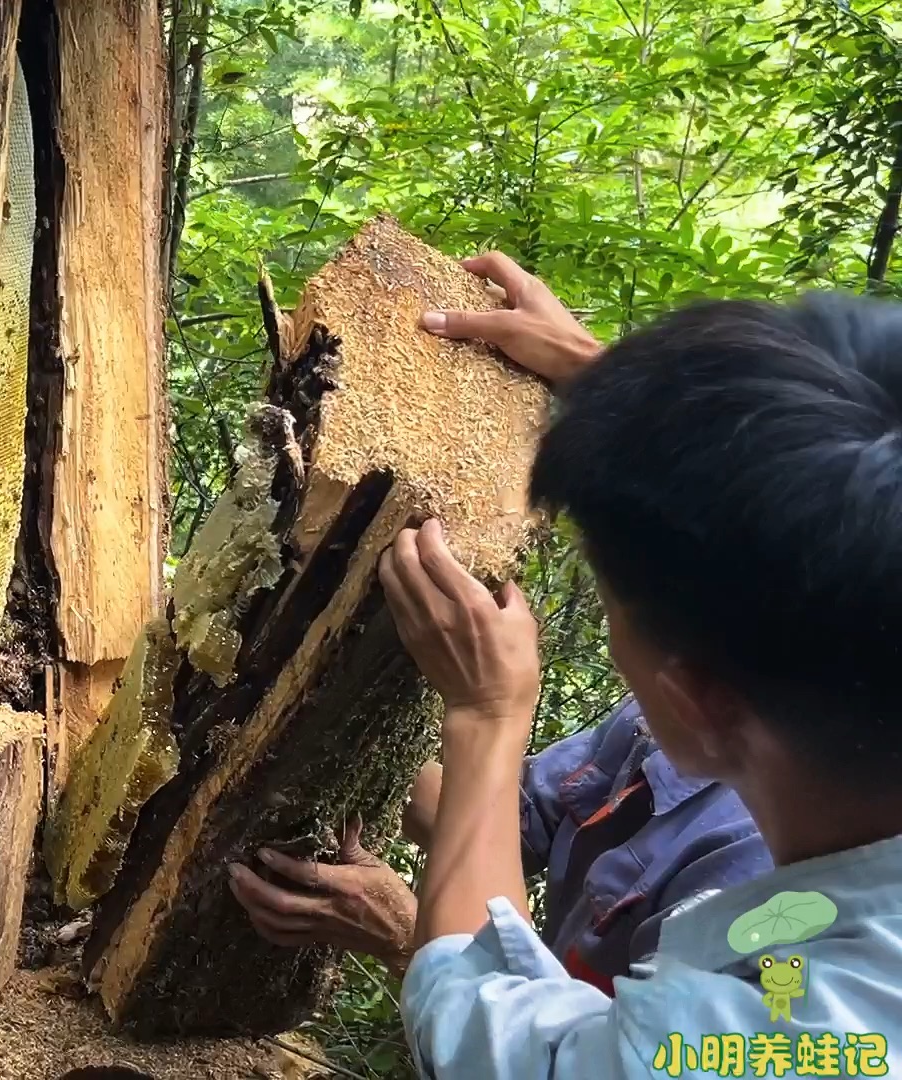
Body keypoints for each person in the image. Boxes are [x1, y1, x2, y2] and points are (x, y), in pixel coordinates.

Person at [252, 254, 902, 1077]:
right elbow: (518, 817)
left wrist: (487, 716)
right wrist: (636, 404)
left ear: (702, 708)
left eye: (611, 606)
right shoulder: (810, 686)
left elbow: (502, 1033)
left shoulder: (797, 1030)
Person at [226, 258, 773, 994]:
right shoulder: (724, 701)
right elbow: (513, 817)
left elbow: (540, 1053)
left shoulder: (779, 910)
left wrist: (408, 931)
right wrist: (287, 723)